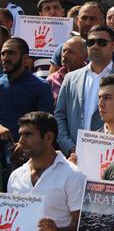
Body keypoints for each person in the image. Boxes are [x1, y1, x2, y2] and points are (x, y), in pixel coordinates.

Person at [55, 25, 114, 156]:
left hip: (111, 155)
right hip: (74, 156)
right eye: (91, 42)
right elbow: (60, 116)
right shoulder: (70, 78)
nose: (95, 46)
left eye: (102, 42)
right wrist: (70, 148)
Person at [8, 112, 86, 230]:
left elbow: (84, 226)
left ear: (48, 137)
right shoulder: (15, 176)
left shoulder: (73, 175)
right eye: (20, 135)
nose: (21, 141)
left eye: (27, 134)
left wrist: (58, 230)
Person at [0, 38, 53, 188]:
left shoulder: (40, 87)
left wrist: (23, 144)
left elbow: (45, 125)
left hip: (25, 161)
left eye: (11, 53)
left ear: (25, 58)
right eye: (3, 53)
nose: (5, 58)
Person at [49, 2, 114, 74]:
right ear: (77, 21)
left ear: (102, 21)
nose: (88, 23)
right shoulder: (63, 49)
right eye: (84, 18)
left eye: (93, 19)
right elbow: (53, 83)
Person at [33, 0, 67, 79]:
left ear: (63, 11)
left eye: (56, 7)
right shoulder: (30, 36)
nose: (52, 12)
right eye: (47, 9)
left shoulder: (73, 37)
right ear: (41, 14)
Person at [46, 36, 88, 103]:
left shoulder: (91, 78)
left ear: (85, 56)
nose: (64, 55)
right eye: (64, 51)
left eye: (70, 52)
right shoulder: (52, 80)